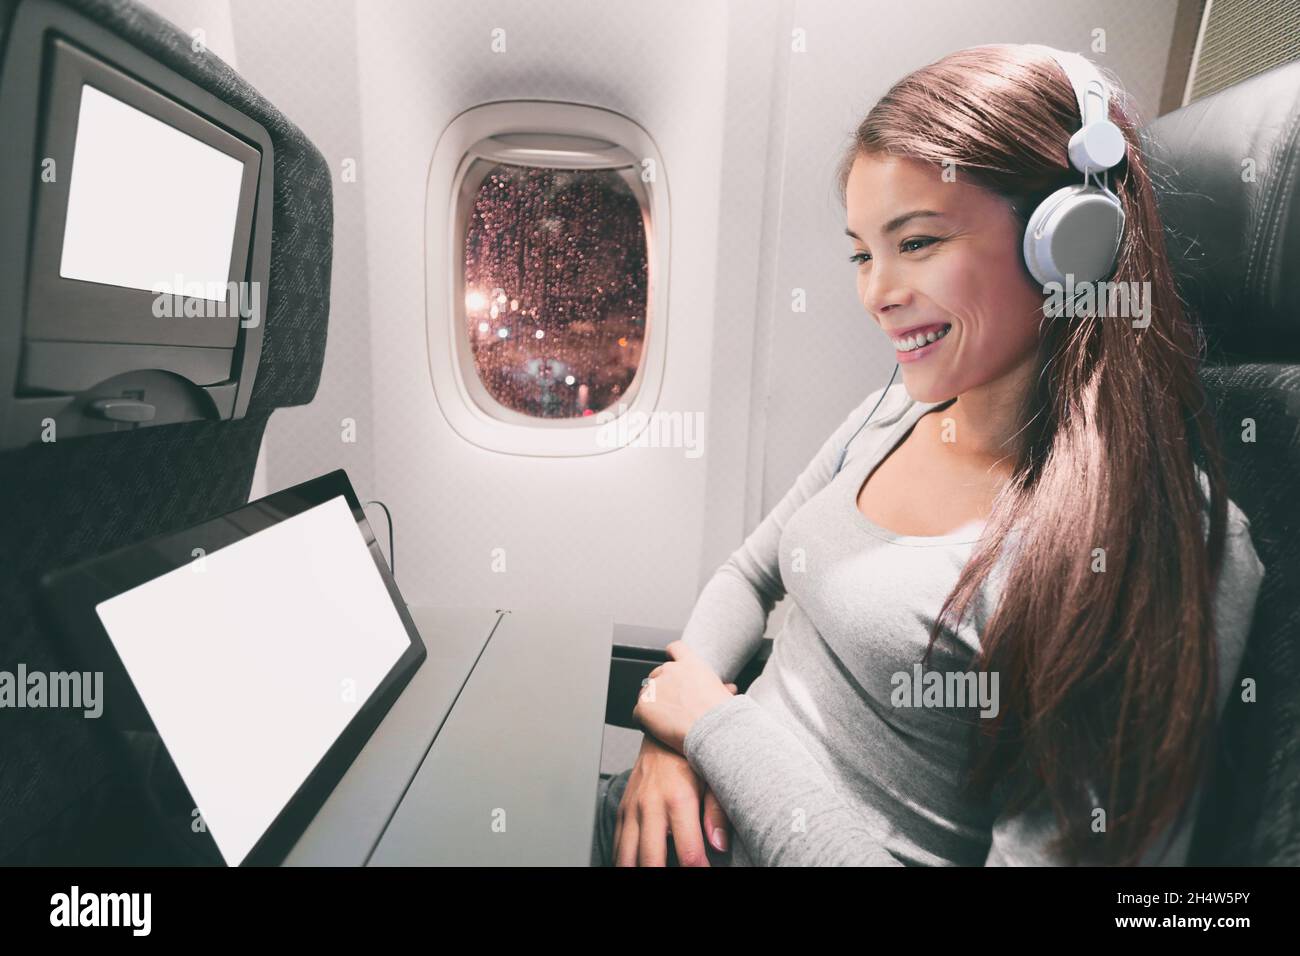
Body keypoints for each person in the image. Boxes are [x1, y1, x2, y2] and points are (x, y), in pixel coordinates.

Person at [591, 43, 1266, 867]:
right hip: (678, 798)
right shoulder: (894, 412)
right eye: (860, 252)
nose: (877, 292)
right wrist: (669, 738)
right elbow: (749, 573)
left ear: (1072, 244)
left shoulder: (1147, 541)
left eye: (915, 243)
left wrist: (709, 725)